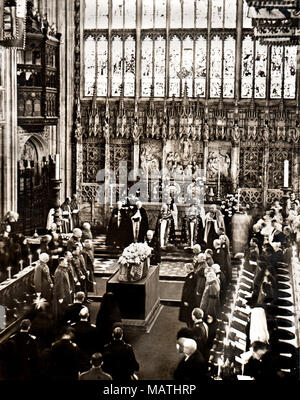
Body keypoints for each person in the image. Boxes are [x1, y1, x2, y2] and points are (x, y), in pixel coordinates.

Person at [179, 263, 199, 328]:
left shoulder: (191, 277)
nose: (184, 269)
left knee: (188, 316)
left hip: (189, 300)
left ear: (188, 268)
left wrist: (186, 300)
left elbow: (189, 290)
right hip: (190, 300)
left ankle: (190, 329)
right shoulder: (192, 276)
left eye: (185, 268)